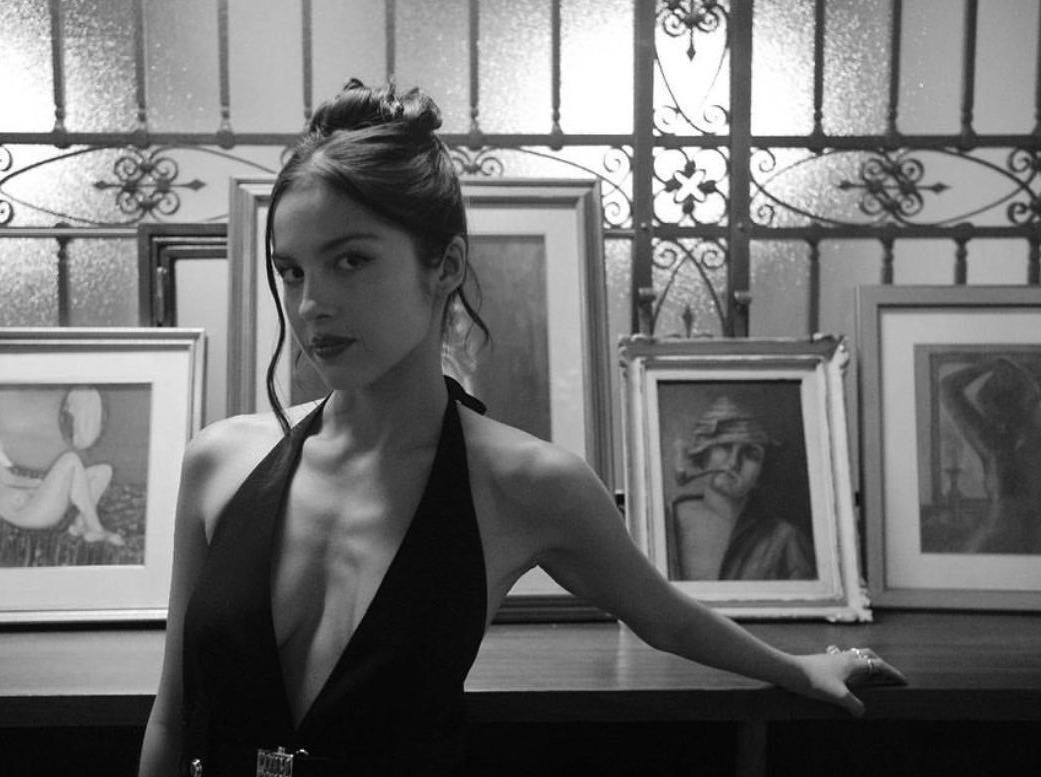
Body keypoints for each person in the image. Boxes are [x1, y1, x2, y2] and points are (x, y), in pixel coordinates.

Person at [138, 79, 905, 777]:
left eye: (350, 261)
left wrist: (798, 668)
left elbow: (662, 616)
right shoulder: (219, 462)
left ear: (444, 266)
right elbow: (171, 719)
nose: (311, 306)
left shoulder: (527, 484)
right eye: (292, 270)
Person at [671, 396, 816, 580]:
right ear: (704, 453)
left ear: (762, 470)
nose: (733, 463)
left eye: (750, 454)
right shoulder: (668, 519)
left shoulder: (785, 539)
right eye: (724, 447)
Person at [0, 423, 122, 545]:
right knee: (70, 459)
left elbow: (12, 479)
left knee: (103, 471)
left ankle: (80, 525)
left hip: (37, 500)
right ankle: (96, 529)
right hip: (26, 514)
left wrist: (41, 484)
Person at [940, 356, 1041, 553]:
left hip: (1001, 542)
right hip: (1007, 544)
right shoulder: (997, 444)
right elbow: (947, 388)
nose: (992, 421)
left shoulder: (996, 446)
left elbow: (949, 387)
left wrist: (988, 364)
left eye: (993, 411)